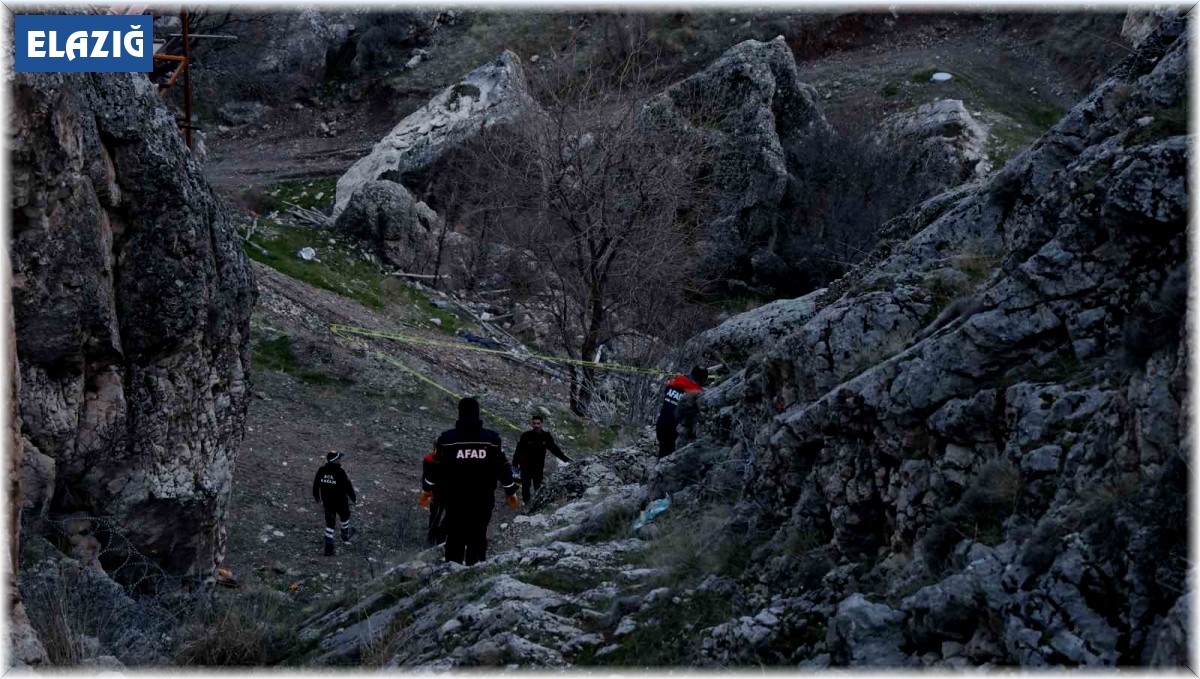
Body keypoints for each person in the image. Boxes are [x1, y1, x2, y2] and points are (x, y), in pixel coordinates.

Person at [420, 397, 519, 565]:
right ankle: (476, 571)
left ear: (460, 413)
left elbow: (434, 467)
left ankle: (453, 571)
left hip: (455, 499)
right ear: (477, 413)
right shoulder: (492, 440)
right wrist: (510, 489)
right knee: (478, 534)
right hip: (483, 498)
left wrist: (427, 488)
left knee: (455, 536)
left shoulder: (447, 440)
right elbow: (503, 466)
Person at [513, 414, 572, 507]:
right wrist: (515, 464)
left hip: (538, 466)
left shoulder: (546, 436)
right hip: (525, 465)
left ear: (541, 424)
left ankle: (537, 506)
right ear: (532, 424)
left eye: (538, 423)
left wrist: (565, 459)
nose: (536, 425)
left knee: (538, 486)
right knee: (526, 486)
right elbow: (518, 450)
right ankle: (526, 505)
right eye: (534, 423)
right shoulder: (526, 435)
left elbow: (554, 449)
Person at [655, 365, 708, 458]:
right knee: (670, 459)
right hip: (675, 431)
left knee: (663, 454)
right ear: (703, 380)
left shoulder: (674, 382)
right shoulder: (696, 393)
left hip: (661, 425)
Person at [312, 450, 357, 556]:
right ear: (334, 460)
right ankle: (345, 535)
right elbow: (348, 486)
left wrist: (317, 498)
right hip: (341, 502)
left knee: (330, 523)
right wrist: (353, 498)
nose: (340, 460)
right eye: (339, 458)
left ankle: (328, 548)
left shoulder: (321, 470)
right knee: (345, 516)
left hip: (328, 503)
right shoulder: (340, 472)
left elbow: (315, 485)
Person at [420, 448, 448, 546]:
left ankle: (437, 538)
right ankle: (432, 537)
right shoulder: (429, 460)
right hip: (436, 491)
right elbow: (426, 477)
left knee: (439, 514)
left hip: (443, 491)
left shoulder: (431, 459)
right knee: (435, 513)